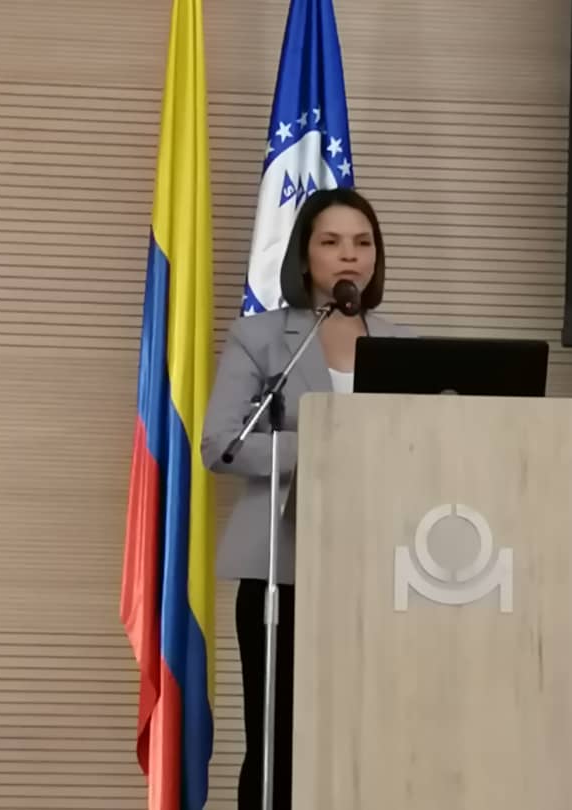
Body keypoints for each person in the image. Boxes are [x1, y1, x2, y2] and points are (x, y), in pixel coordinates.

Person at [200, 188, 413, 809]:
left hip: (381, 567)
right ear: (304, 256)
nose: (350, 256)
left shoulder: (404, 343)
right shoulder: (264, 337)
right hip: (283, 570)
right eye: (332, 242)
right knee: (278, 744)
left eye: (363, 243)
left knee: (365, 735)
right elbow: (221, 445)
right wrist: (325, 443)